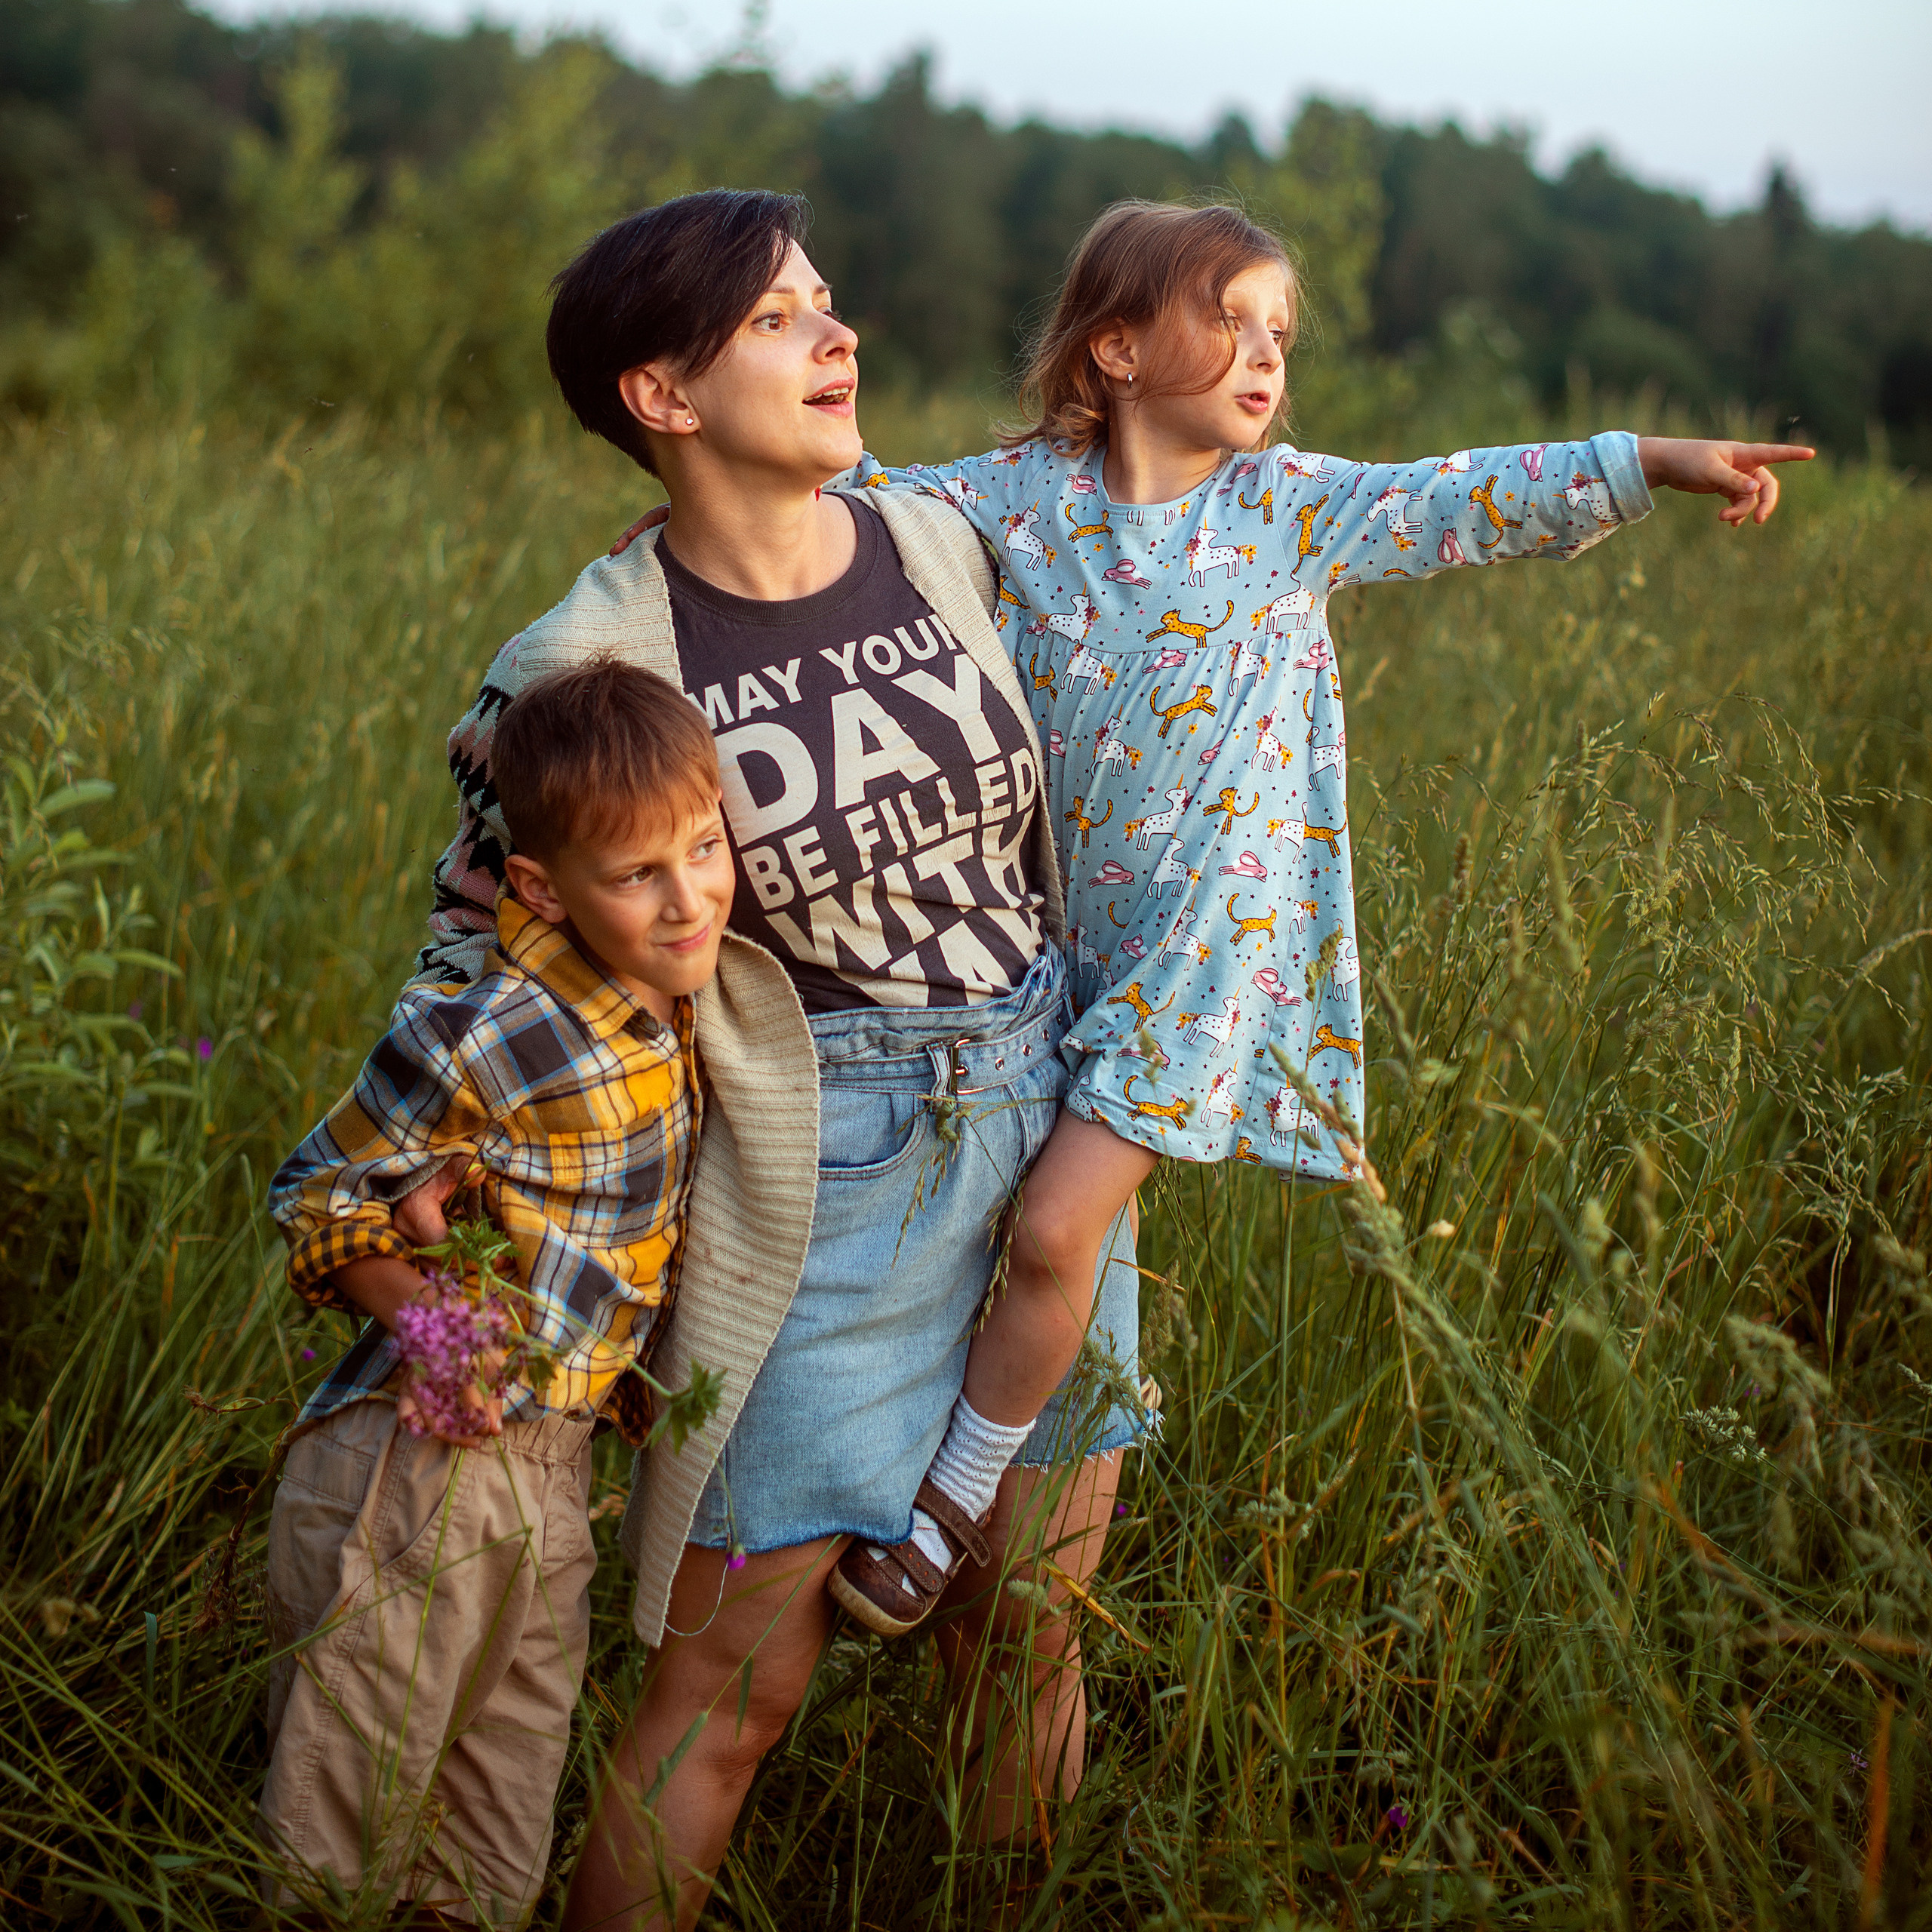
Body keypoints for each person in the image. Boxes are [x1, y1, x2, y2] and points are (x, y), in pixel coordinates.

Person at [829, 198, 1813, 1626]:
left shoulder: (1285, 507)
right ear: (1115, 349)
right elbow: (864, 504)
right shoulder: (1018, 500)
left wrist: (1652, 460)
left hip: (1206, 969)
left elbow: (1460, 495)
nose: (1264, 354)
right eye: (1228, 320)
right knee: (1030, 1245)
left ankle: (944, 1508)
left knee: (1052, 1231)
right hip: (1049, 955)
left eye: (1279, 332)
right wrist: (710, 517)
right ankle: (939, 1469)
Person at [408, 189, 1145, 1931]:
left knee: (1026, 1633)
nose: (836, 336)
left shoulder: (940, 542)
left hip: (1041, 1139)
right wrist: (434, 1177)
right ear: (660, 393)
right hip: (812, 1186)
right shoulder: (585, 660)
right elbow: (474, 940)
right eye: (776, 319)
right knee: (727, 1697)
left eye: (826, 301)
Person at [260, 660, 732, 1924]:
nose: (689, 899)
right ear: (538, 888)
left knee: (494, 1823)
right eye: (637, 875)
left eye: (704, 848)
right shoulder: (487, 1027)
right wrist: (431, 1319)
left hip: (557, 1471)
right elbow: (319, 1189)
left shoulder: (680, 995)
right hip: (429, 1456)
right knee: (347, 1813)